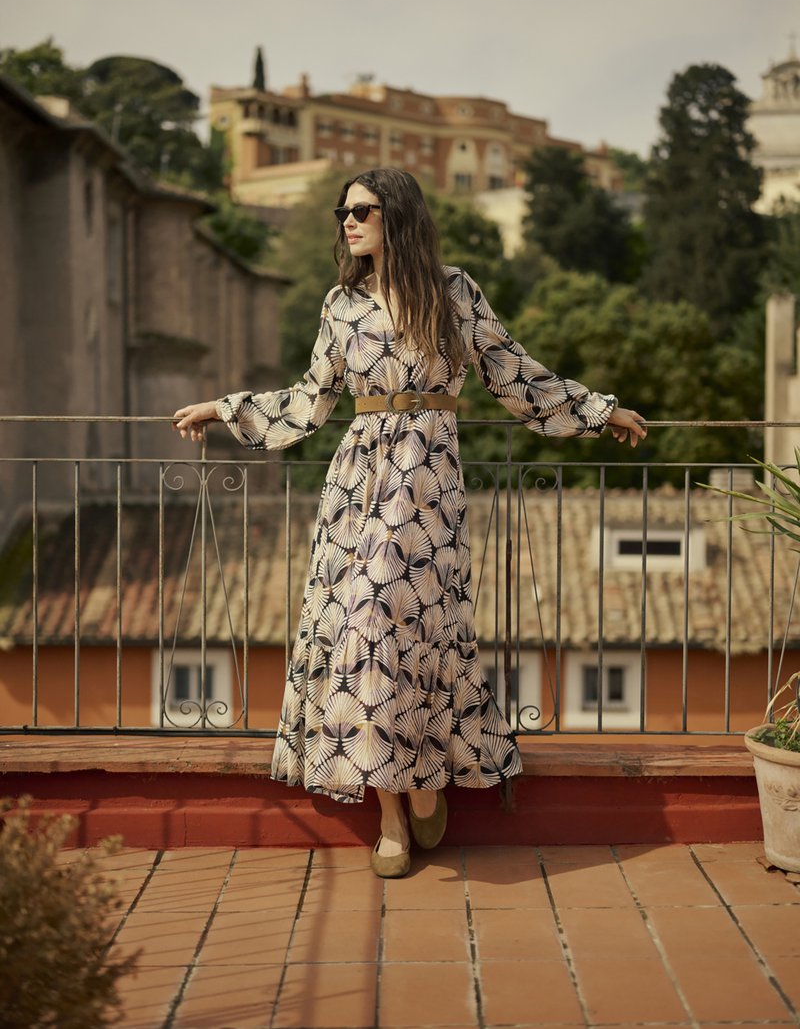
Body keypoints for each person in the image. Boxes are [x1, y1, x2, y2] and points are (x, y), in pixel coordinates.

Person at [173, 168, 647, 878]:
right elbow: (312, 400)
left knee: (419, 632)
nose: (347, 221)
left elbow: (514, 374)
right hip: (357, 485)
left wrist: (599, 410)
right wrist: (226, 408)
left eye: (361, 209)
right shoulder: (342, 303)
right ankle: (393, 811)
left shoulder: (455, 292)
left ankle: (427, 777)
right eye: (343, 211)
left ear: (397, 214)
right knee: (363, 626)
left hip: (427, 483)